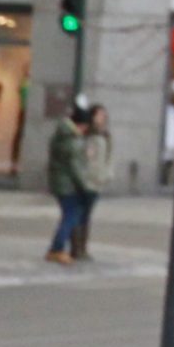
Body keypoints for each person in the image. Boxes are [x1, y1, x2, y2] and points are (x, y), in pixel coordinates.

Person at [46, 95, 101, 265]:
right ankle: (57, 248)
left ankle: (58, 248)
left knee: (69, 215)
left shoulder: (62, 135)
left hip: (60, 182)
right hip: (67, 185)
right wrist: (85, 186)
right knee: (70, 216)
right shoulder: (73, 141)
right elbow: (76, 168)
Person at [75, 104, 114, 260]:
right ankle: (77, 248)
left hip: (98, 180)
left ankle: (82, 247)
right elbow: (87, 159)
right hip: (87, 180)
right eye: (99, 115)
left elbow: (107, 157)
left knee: (86, 215)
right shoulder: (88, 135)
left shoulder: (105, 135)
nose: (102, 117)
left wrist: (107, 174)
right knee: (81, 215)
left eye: (104, 115)